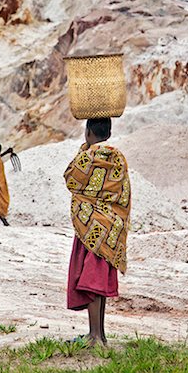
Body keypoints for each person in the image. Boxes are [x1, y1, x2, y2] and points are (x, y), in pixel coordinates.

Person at [63, 117, 131, 345]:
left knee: (91, 282)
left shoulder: (87, 157)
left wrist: (85, 148)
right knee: (99, 284)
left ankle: (94, 336)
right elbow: (121, 192)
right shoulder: (119, 158)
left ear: (88, 132)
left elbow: (71, 179)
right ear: (109, 133)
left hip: (90, 226)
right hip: (110, 229)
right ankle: (99, 334)